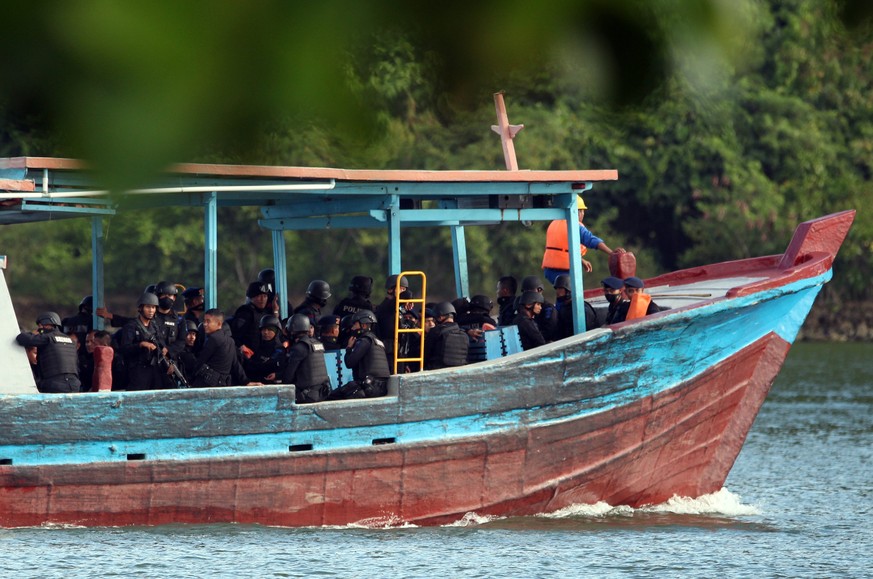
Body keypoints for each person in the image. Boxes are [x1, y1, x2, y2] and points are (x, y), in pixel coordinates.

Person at [541, 195, 624, 284]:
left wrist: (580, 260)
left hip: (549, 270)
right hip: (564, 270)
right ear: (577, 211)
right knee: (569, 293)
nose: (583, 214)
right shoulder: (574, 225)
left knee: (561, 293)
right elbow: (592, 240)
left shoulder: (554, 223)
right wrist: (611, 253)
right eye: (582, 211)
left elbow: (562, 250)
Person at [329, 309, 390, 400]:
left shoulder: (364, 341)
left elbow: (349, 363)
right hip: (380, 388)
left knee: (332, 396)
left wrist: (349, 348)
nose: (353, 328)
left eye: (355, 324)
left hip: (368, 388)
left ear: (364, 325)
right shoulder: (378, 341)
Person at [15, 311, 81, 393]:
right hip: (74, 384)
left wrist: (33, 334)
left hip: (55, 385)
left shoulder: (48, 338)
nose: (39, 329)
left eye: (40, 326)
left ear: (46, 324)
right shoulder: (70, 340)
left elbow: (21, 338)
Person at [193, 309, 257, 387]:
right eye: (204, 321)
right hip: (222, 385)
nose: (205, 324)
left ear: (219, 324)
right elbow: (236, 364)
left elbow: (200, 361)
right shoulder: (230, 341)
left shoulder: (213, 339)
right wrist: (246, 381)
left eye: (208, 321)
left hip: (207, 385)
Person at [118, 292, 168, 391]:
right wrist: (140, 345)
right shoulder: (131, 326)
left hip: (154, 369)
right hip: (138, 370)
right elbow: (124, 348)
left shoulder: (154, 326)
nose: (151, 310)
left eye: (153, 307)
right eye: (148, 307)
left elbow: (162, 345)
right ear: (141, 308)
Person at [281, 314, 332, 403]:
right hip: (323, 393)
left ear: (293, 331)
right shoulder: (317, 343)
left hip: (308, 396)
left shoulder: (299, 348)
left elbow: (287, 378)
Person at [423, 302, 469, 370]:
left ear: (440, 317)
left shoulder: (435, 331)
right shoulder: (464, 333)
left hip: (437, 370)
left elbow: (425, 354)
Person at [375, 274, 408, 365]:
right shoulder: (386, 306)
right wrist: (408, 296)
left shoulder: (399, 308)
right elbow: (404, 297)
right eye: (400, 289)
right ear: (390, 289)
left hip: (400, 352)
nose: (403, 292)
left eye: (404, 289)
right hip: (389, 353)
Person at [552, 274, 599, 340]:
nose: (557, 292)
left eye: (560, 289)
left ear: (569, 290)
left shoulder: (583, 309)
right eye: (556, 289)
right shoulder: (562, 308)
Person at [231, 281, 272, 354]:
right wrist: (241, 347)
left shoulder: (266, 312)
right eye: (259, 296)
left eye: (265, 296)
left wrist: (275, 311)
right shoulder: (245, 312)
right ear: (252, 298)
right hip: (247, 357)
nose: (262, 299)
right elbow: (234, 335)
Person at [245, 314, 286, 383]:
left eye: (270, 329)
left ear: (276, 331)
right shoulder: (258, 347)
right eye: (263, 329)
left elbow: (269, 365)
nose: (266, 332)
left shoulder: (279, 350)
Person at [518, 276, 558, 341]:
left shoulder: (548, 309)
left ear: (539, 290)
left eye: (530, 291)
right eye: (525, 292)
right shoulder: (522, 308)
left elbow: (549, 332)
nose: (528, 295)